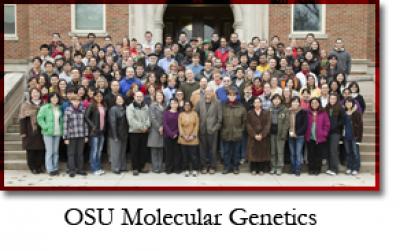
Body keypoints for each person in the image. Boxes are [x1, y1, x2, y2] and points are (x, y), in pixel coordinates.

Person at [195, 87, 222, 174]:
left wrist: (215, 128)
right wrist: (198, 127)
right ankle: (203, 166)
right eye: (206, 91)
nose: (208, 93)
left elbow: (220, 119)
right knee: (202, 150)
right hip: (202, 130)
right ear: (204, 93)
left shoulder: (217, 103)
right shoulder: (199, 102)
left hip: (213, 131)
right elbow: (196, 116)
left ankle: (212, 167)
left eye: (210, 91)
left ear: (213, 93)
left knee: (213, 150)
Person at [19, 88, 45, 174]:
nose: (35, 94)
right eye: (33, 93)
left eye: (37, 92)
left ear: (39, 93)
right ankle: (32, 167)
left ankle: (39, 166)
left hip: (42, 129)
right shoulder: (25, 105)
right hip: (30, 129)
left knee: (41, 150)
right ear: (30, 94)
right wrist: (23, 132)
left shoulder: (44, 104)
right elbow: (22, 119)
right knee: (31, 151)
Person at [221, 88, 247, 174]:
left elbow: (245, 121)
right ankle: (226, 167)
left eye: (234, 95)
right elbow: (220, 120)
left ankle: (236, 167)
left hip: (237, 134)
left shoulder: (241, 107)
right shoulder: (223, 107)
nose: (232, 97)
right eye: (230, 95)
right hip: (226, 133)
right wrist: (223, 130)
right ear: (227, 96)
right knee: (226, 152)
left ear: (236, 96)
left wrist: (240, 130)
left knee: (236, 152)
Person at [37, 92, 63, 176]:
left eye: (56, 97)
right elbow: (40, 118)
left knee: (56, 151)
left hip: (58, 132)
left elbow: (61, 120)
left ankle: (55, 168)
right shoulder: (45, 107)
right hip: (48, 132)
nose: (55, 99)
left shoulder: (59, 108)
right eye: (53, 97)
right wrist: (45, 127)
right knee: (50, 151)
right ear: (50, 98)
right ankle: (50, 169)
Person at [63, 94, 89, 177]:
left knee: (80, 153)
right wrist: (65, 137)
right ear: (71, 101)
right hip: (71, 135)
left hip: (81, 135)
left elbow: (85, 123)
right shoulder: (68, 110)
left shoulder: (83, 110)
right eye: (74, 100)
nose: (76, 102)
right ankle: (72, 170)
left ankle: (80, 169)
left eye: (78, 100)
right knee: (71, 153)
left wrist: (86, 135)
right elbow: (65, 124)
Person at [126, 91, 151, 175]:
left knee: (143, 150)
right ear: (134, 97)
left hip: (144, 132)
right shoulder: (130, 107)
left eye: (141, 96)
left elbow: (148, 118)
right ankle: (135, 168)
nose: (139, 98)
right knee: (135, 150)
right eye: (137, 96)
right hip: (134, 132)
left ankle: (141, 167)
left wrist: (146, 127)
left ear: (143, 97)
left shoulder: (145, 106)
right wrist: (142, 127)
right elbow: (131, 120)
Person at [305, 97, 331, 175]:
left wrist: (324, 134)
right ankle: (311, 169)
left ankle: (317, 169)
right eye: (312, 103)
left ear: (319, 103)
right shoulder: (307, 112)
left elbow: (327, 124)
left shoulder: (323, 112)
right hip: (310, 137)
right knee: (311, 154)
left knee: (318, 154)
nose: (314, 104)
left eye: (316, 103)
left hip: (320, 138)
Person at [246, 97, 271, 175]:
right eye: (255, 102)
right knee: (253, 153)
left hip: (263, 137)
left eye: (258, 102)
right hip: (253, 137)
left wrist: (262, 134)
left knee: (262, 153)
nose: (257, 104)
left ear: (261, 104)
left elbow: (268, 125)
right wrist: (254, 135)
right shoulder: (250, 113)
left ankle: (261, 169)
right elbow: (248, 125)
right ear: (253, 104)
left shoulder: (266, 113)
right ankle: (253, 169)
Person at [85, 90, 107, 175]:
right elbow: (86, 117)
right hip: (94, 132)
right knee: (94, 151)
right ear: (94, 97)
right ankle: (94, 169)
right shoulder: (91, 105)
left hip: (101, 131)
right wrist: (93, 126)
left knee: (99, 150)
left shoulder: (103, 105)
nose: (99, 97)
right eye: (97, 96)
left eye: (101, 96)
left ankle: (98, 167)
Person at [269, 94, 289, 175]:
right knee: (273, 151)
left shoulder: (284, 109)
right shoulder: (270, 109)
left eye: (278, 99)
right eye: (274, 99)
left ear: (280, 100)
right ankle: (273, 166)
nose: (276, 101)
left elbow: (286, 123)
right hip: (272, 133)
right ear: (272, 101)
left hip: (280, 134)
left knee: (280, 151)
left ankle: (279, 167)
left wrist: (283, 134)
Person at [108, 95, 129, 174]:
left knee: (122, 152)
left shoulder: (125, 108)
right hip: (116, 134)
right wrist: (115, 135)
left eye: (121, 99)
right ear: (115, 101)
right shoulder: (113, 109)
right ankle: (115, 168)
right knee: (115, 152)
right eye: (118, 99)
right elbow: (112, 123)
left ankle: (122, 167)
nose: (120, 100)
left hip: (124, 133)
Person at [178, 101, 200, 177]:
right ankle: (186, 169)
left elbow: (197, 125)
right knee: (185, 156)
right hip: (183, 138)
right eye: (185, 105)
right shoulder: (181, 114)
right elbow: (179, 126)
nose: (187, 106)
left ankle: (195, 169)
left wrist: (193, 136)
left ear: (191, 106)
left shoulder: (195, 114)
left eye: (188, 105)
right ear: (183, 106)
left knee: (193, 155)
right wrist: (183, 136)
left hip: (193, 138)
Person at [288, 96, 308, 176]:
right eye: (293, 101)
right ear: (291, 103)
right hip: (290, 135)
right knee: (292, 153)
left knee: (298, 153)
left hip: (299, 136)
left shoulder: (303, 112)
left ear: (299, 103)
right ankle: (293, 169)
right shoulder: (288, 111)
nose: (295, 103)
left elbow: (305, 125)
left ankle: (298, 169)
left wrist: (297, 133)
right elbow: (286, 123)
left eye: (297, 102)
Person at [325, 94, 345, 175]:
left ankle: (335, 169)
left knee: (334, 150)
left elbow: (343, 120)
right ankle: (330, 168)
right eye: (331, 98)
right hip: (327, 132)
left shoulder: (340, 108)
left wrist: (335, 125)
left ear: (337, 99)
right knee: (329, 151)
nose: (332, 100)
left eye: (334, 98)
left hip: (335, 133)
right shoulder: (327, 107)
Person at [343, 97, 363, 175]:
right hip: (346, 136)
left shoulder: (357, 113)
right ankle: (349, 167)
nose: (348, 104)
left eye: (350, 102)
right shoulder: (344, 113)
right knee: (348, 152)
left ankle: (355, 168)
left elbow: (360, 127)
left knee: (355, 153)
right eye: (346, 102)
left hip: (354, 137)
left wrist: (359, 139)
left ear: (353, 104)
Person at [147, 91, 166, 173]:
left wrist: (163, 127)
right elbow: (152, 118)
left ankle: (160, 166)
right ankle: (155, 167)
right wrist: (159, 127)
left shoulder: (165, 105)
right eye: (158, 95)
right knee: (154, 149)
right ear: (155, 97)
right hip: (155, 130)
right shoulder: (152, 106)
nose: (159, 97)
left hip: (164, 129)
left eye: (161, 95)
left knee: (161, 149)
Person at [163, 98, 181, 174]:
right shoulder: (166, 113)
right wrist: (171, 133)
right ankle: (168, 168)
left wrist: (175, 133)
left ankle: (177, 168)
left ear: (177, 104)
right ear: (170, 104)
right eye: (172, 103)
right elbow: (165, 124)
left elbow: (180, 125)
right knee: (169, 153)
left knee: (177, 153)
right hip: (168, 136)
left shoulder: (180, 113)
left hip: (177, 136)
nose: (174, 104)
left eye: (175, 103)